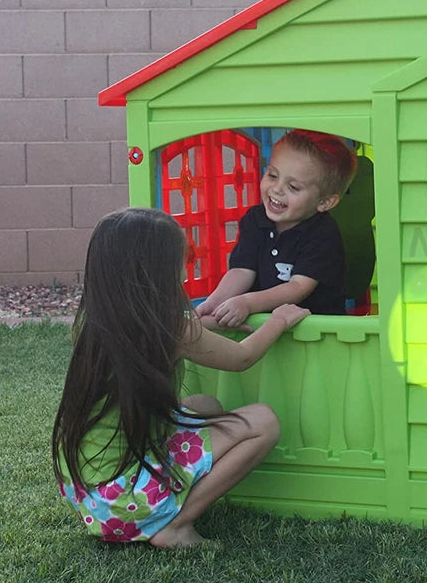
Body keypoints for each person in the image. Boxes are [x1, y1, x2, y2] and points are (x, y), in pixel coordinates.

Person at [52, 207, 310, 548]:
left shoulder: (97, 324)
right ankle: (175, 526)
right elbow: (242, 357)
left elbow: (156, 336)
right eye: (181, 260)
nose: (185, 269)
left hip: (90, 495)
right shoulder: (175, 330)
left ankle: (156, 511)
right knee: (263, 422)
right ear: (158, 271)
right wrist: (280, 319)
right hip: (123, 499)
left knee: (205, 405)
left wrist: (201, 324)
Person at [197, 129, 357, 326]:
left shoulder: (323, 234)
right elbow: (242, 271)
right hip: (265, 325)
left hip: (316, 334)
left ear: (324, 202)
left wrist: (247, 303)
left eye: (293, 187)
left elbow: (298, 287)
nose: (277, 189)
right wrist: (213, 303)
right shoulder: (255, 219)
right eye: (272, 175)